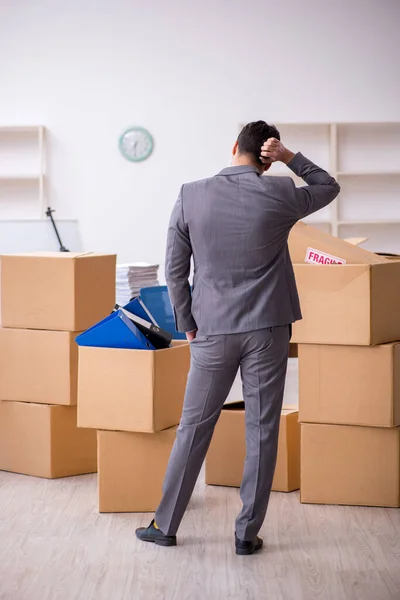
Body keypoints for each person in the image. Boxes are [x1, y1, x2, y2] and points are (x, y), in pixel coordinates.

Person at [136, 121, 340, 555]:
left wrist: (186, 321)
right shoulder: (281, 193)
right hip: (268, 329)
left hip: (211, 328)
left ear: (234, 147)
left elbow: (174, 268)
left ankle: (165, 524)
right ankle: (246, 534)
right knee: (262, 430)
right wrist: (290, 158)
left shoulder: (191, 193)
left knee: (193, 428)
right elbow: (327, 185)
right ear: (266, 160)